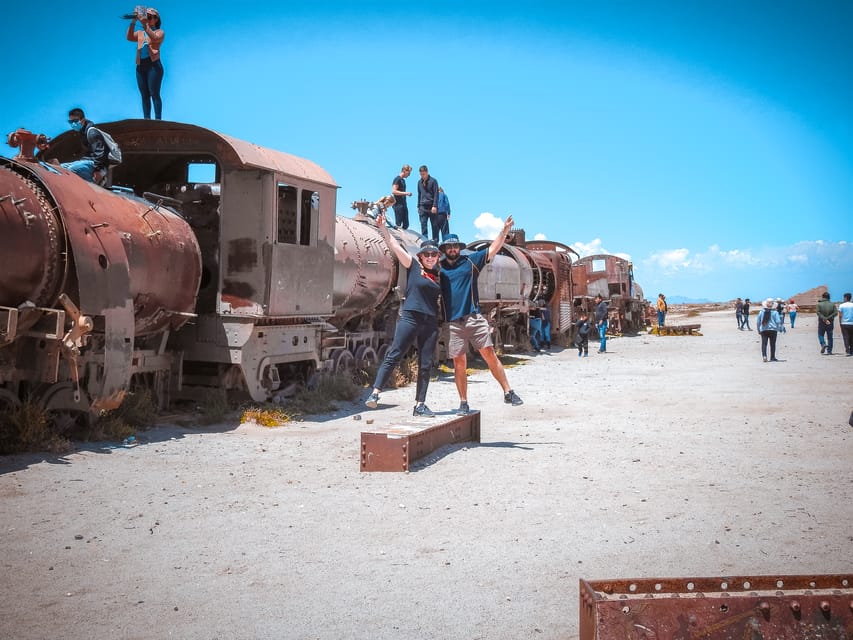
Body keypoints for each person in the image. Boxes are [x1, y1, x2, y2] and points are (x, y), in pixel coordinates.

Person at [438, 217, 523, 415]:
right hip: (453, 322)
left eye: (455, 246)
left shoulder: (471, 261)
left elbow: (492, 249)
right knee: (459, 362)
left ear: (459, 247)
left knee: (489, 354)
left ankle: (508, 391)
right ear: (444, 249)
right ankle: (463, 402)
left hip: (473, 317)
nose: (452, 249)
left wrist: (504, 231)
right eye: (449, 247)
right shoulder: (440, 268)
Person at [365, 211, 442, 417]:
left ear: (438, 257)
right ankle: (375, 393)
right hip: (410, 316)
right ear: (421, 256)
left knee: (426, 364)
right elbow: (395, 246)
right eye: (427, 254)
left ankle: (420, 405)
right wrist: (382, 228)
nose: (430, 257)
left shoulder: (440, 276)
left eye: (434, 254)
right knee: (395, 353)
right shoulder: (413, 266)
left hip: (430, 322)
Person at [127, 7, 165, 120]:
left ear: (156, 19)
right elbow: (129, 37)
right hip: (141, 65)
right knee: (144, 95)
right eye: (146, 16)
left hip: (154, 65)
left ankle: (158, 119)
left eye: (151, 17)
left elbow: (154, 38)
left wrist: (145, 24)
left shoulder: (159, 32)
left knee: (154, 93)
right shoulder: (140, 33)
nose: (148, 19)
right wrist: (133, 21)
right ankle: (146, 119)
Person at [60, 108, 111, 184]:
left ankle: (92, 185)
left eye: (75, 121)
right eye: (70, 122)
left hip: (97, 165)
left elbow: (100, 153)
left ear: (83, 120)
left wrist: (97, 170)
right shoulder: (83, 132)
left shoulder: (92, 132)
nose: (73, 124)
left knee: (72, 169)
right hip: (89, 161)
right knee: (61, 167)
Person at [416, 165, 439, 239]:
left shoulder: (433, 181)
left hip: (432, 206)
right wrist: (418, 206)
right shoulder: (419, 182)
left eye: (423, 174)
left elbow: (436, 194)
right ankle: (425, 240)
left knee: (434, 225)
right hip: (423, 206)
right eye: (421, 174)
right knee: (423, 225)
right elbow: (419, 194)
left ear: (427, 172)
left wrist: (434, 205)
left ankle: (435, 241)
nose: (422, 176)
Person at [757, 298, 783, 362]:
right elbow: (778, 321)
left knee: (764, 344)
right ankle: (772, 357)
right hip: (773, 330)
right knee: (773, 344)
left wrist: (758, 330)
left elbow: (758, 322)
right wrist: (780, 328)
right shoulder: (775, 312)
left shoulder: (761, 312)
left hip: (764, 330)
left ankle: (764, 356)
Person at [390, 165, 412, 229]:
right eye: (409, 173)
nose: (409, 175)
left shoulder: (403, 180)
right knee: (398, 223)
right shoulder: (397, 179)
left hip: (403, 204)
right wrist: (406, 193)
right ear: (404, 171)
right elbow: (394, 191)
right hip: (398, 204)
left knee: (406, 224)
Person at [838, 292, 853, 356]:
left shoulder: (841, 305)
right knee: (852, 337)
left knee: (846, 337)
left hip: (844, 323)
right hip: (852, 323)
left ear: (846, 298)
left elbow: (840, 315)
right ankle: (852, 350)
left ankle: (847, 350)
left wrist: (840, 322)